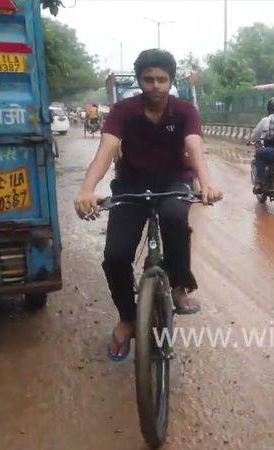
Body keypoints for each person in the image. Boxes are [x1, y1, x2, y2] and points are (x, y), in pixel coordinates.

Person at [73, 49, 222, 361]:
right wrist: (87, 189)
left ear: (171, 81)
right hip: (132, 185)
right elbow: (107, 149)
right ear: (140, 81)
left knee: (175, 219)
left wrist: (206, 183)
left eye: (162, 79)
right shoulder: (123, 111)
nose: (155, 85)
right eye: (148, 79)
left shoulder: (184, 111)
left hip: (172, 183)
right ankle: (128, 318)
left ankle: (179, 285)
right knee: (115, 256)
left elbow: (194, 147)